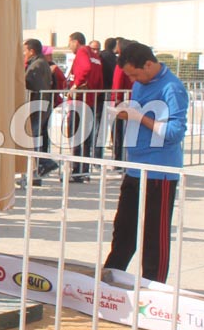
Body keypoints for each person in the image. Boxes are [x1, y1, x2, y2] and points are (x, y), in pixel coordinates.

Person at [103, 42, 188, 283]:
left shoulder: (172, 88)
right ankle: (110, 276)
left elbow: (175, 132)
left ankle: (154, 285)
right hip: (135, 168)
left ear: (148, 64)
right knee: (123, 229)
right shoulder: (140, 84)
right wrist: (126, 113)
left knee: (154, 236)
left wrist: (139, 117)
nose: (132, 80)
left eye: (134, 74)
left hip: (159, 172)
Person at [67, 31, 104, 182]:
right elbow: (99, 79)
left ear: (76, 42)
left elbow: (85, 68)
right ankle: (84, 171)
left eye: (70, 43)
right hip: (90, 101)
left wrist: (75, 86)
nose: (69, 46)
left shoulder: (83, 52)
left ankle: (77, 170)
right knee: (86, 138)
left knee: (76, 136)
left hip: (80, 101)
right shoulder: (94, 55)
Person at [23, 39, 58, 181]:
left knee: (33, 140)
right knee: (35, 140)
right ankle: (38, 171)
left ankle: (43, 165)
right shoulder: (41, 63)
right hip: (41, 106)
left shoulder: (37, 66)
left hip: (37, 107)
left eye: (25, 50)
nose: (24, 53)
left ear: (32, 51)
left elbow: (33, 85)